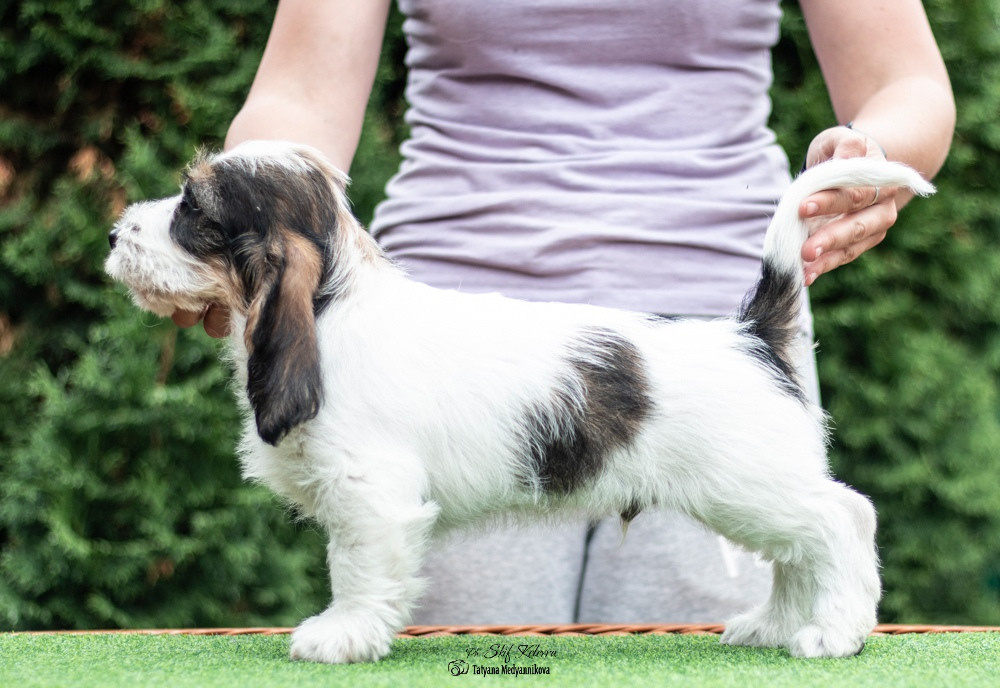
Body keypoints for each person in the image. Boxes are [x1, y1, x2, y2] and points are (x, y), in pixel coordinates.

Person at [174, 0, 954, 624]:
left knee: (752, 603)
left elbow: (906, 80)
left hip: (710, 333)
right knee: (467, 662)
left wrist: (871, 155)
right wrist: (246, 226)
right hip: (441, 351)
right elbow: (304, 89)